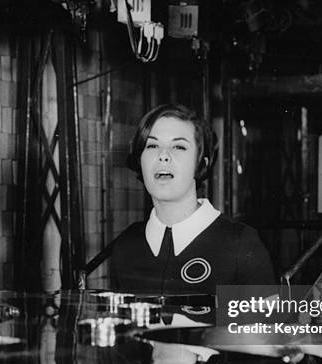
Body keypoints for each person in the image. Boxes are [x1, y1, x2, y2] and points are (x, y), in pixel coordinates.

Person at [109, 104, 275, 294]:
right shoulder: (126, 244)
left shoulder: (240, 242)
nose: (163, 156)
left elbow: (265, 323)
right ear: (140, 160)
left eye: (179, 146)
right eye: (152, 145)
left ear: (200, 164)